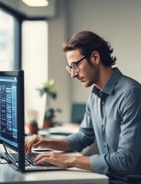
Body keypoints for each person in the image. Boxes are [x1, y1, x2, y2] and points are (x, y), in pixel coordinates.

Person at [25, 31, 141, 184]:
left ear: (95, 57)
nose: (73, 74)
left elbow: (125, 161)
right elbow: (82, 137)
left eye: (76, 65)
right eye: (70, 67)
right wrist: (46, 143)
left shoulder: (131, 93)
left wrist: (69, 160)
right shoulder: (95, 95)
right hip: (105, 178)